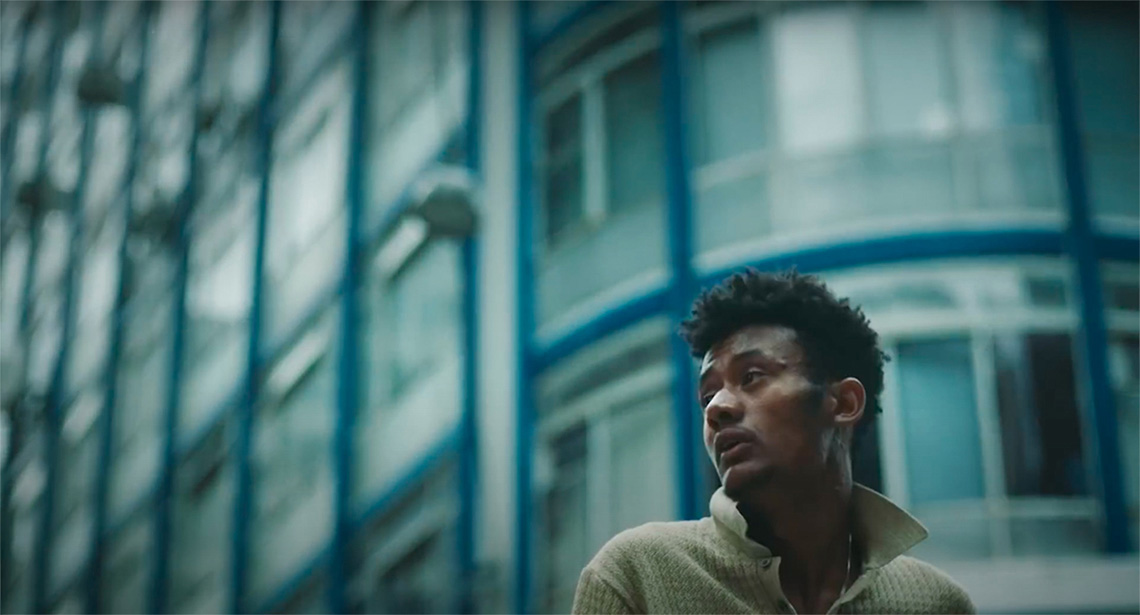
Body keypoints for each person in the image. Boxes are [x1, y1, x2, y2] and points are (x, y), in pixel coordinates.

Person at [572, 269, 974, 614]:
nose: (717, 408)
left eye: (751, 377)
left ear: (844, 403)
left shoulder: (935, 603)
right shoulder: (637, 576)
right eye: (707, 396)